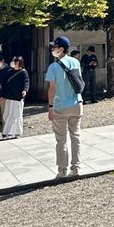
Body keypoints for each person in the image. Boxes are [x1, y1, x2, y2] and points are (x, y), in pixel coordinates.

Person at [45, 36, 83, 179]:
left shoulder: (53, 67)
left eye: (54, 47)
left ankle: (62, 170)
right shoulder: (75, 62)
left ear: (61, 49)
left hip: (60, 105)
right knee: (75, 136)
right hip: (76, 103)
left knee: (61, 139)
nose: (52, 49)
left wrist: (50, 107)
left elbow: (52, 89)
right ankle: (76, 168)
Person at [1, 56, 29, 139]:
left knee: (16, 115)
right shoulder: (9, 72)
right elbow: (5, 84)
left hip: (17, 97)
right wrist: (2, 95)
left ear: (19, 63)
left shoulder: (23, 72)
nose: (13, 63)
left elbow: (26, 82)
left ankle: (16, 132)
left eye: (15, 61)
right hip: (9, 97)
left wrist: (25, 90)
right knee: (7, 114)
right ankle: (6, 131)